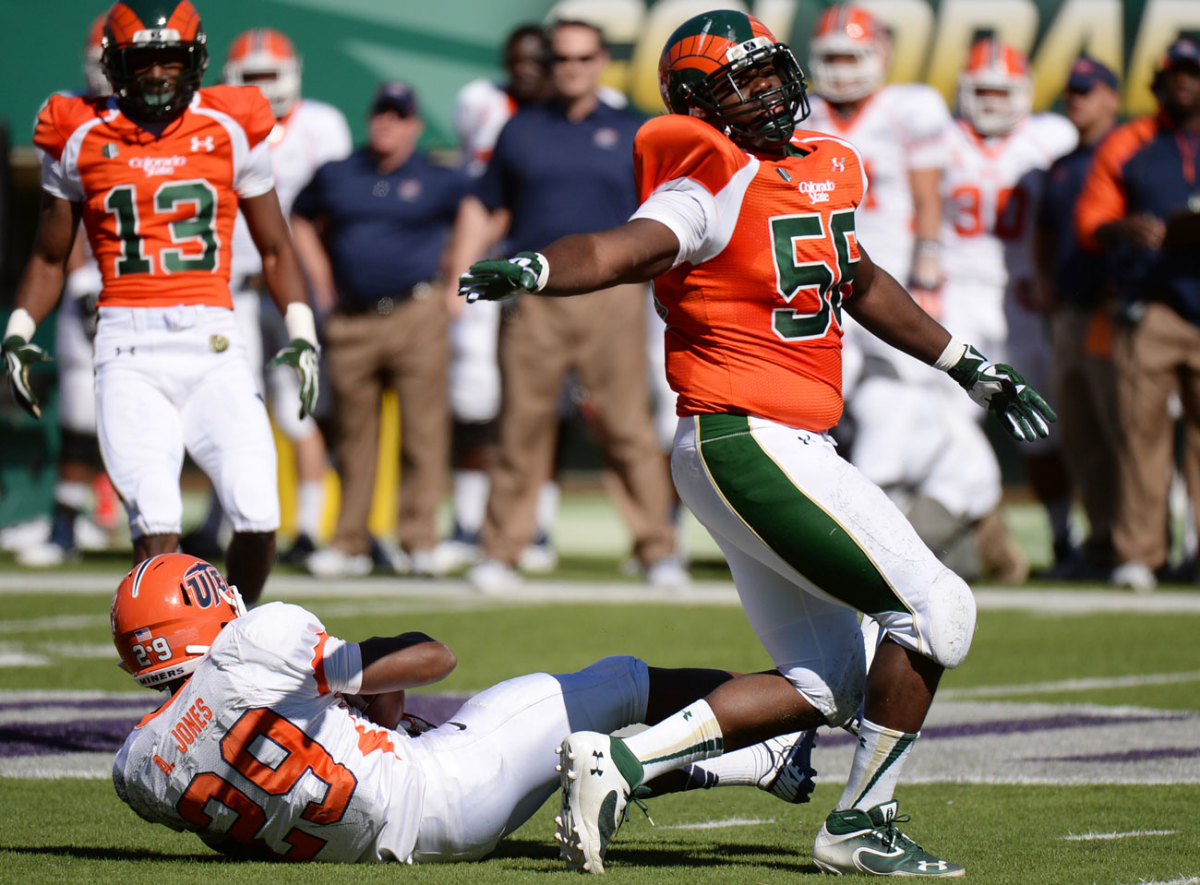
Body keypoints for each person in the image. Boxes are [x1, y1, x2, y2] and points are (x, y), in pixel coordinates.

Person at [459, 10, 1054, 877]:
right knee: (936, 608)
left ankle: (618, 762)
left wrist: (967, 363)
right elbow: (624, 249)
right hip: (746, 434)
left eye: (770, 70)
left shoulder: (828, 162)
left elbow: (853, 274)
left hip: (775, 441)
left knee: (827, 685)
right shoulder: (707, 177)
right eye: (742, 82)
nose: (770, 89)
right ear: (703, 103)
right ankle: (863, 821)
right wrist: (542, 269)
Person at [110, 552, 817, 862]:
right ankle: (789, 710)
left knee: (562, 757)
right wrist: (356, 685)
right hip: (444, 784)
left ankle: (757, 765)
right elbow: (432, 657)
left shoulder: (138, 766)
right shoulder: (253, 646)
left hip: (376, 840)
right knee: (623, 682)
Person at [1, 0, 319, 606]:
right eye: (143, 60)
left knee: (257, 511)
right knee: (156, 518)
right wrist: (19, 328)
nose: (158, 73)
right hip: (129, 346)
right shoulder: (78, 132)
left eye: (170, 57)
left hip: (216, 340)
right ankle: (179, 668)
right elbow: (48, 255)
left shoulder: (232, 126)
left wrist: (303, 331)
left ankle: (233, 637)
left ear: (195, 60)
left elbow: (276, 249)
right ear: (115, 66)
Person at [446, 19, 685, 593]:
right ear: (548, 64)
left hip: (614, 296)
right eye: (561, 59)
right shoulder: (520, 129)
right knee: (520, 427)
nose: (572, 68)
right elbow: (487, 205)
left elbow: (671, 211)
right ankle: (501, 550)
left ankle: (658, 548)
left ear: (602, 59)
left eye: (582, 58)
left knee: (627, 425)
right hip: (535, 294)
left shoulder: (635, 128)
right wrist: (459, 269)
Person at [804, 3, 1001, 580]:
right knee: (816, 412)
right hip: (817, 283)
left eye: (851, 56)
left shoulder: (908, 108)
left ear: (880, 56)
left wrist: (929, 269)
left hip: (883, 283)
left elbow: (927, 195)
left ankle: (908, 532)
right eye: (832, 57)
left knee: (910, 408)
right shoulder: (803, 111)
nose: (840, 70)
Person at [177, 27, 352, 566]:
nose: (258, 87)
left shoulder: (320, 125)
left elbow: (335, 211)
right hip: (231, 289)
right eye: (248, 77)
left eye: (266, 75)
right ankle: (216, 524)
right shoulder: (215, 124)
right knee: (228, 407)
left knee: (296, 407)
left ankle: (309, 529)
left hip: (290, 286)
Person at [290, 81, 468, 579]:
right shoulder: (338, 172)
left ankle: (419, 541)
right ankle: (349, 542)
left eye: (399, 115)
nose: (388, 123)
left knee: (423, 435)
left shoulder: (438, 176)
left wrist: (456, 278)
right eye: (381, 114)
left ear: (414, 125)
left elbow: (478, 213)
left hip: (418, 313)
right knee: (353, 437)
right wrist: (321, 281)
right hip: (352, 317)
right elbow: (299, 219)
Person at [939, 38, 1078, 581]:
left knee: (1044, 427)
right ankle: (978, 540)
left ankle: (1065, 536)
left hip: (1021, 299)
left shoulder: (1049, 139)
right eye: (984, 91)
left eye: (1003, 91)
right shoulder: (941, 142)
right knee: (951, 429)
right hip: (956, 297)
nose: (993, 102)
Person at [1076, 37, 1200, 594]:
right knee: (1140, 435)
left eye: (1192, 73)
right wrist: (1125, 228)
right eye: (1173, 73)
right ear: (1156, 83)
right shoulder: (1131, 144)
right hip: (1152, 306)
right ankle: (1140, 553)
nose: (1182, 81)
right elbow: (1090, 222)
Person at [436, 24, 555, 574]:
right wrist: (462, 264)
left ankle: (538, 526)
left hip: (546, 266)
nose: (527, 69)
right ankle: (467, 521)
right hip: (489, 261)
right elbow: (481, 192)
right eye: (518, 60)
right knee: (474, 396)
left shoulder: (572, 113)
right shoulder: (480, 102)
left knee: (544, 401)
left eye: (538, 60)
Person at [17, 13, 122, 568]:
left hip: (149, 282)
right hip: (91, 276)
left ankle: (156, 529)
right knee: (81, 409)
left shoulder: (173, 120)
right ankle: (65, 521)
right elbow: (62, 214)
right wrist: (84, 279)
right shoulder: (66, 113)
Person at [1032, 55, 1123, 579]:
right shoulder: (1063, 164)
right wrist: (1044, 275)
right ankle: (1100, 544)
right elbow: (1045, 229)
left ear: (1112, 96)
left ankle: (1137, 546)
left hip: (1114, 311)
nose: (1077, 99)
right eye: (1071, 91)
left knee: (1123, 434)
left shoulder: (1129, 153)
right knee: (1082, 435)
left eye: (1087, 90)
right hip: (1069, 310)